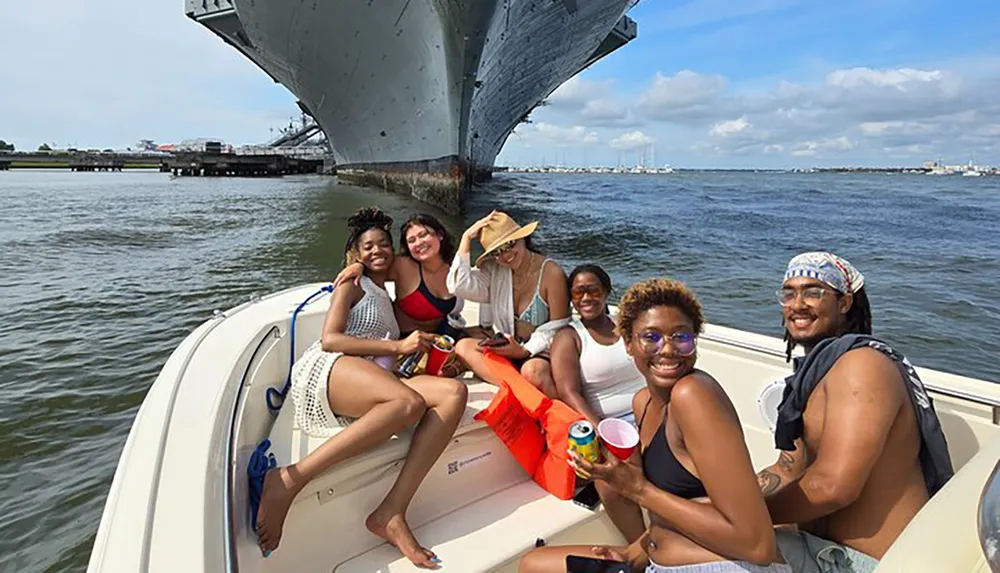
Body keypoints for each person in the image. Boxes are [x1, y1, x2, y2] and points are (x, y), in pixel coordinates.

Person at [519, 279, 788, 573]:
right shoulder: (644, 402)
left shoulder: (693, 394)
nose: (668, 349)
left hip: (729, 565)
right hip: (656, 554)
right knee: (535, 564)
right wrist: (637, 550)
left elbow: (757, 545)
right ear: (629, 344)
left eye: (681, 337)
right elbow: (679, 503)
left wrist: (637, 489)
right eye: (651, 337)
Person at [254, 207, 469, 568]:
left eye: (384, 244)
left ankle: (391, 512)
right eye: (368, 247)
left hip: (372, 375)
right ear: (356, 253)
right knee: (408, 403)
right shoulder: (352, 285)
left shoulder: (387, 290)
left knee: (453, 395)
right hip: (329, 369)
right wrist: (397, 346)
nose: (378, 251)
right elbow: (330, 340)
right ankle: (290, 478)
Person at [756, 252, 954, 573]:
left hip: (863, 564)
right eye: (789, 293)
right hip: (820, 550)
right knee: (683, 532)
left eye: (813, 292)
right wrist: (714, 500)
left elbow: (833, 487)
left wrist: (739, 517)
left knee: (686, 547)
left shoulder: (861, 366)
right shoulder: (813, 377)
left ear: (845, 303)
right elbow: (787, 470)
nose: (797, 304)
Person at [550, 264, 648, 544]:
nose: (586, 298)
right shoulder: (569, 337)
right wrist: (602, 431)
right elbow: (569, 393)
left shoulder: (629, 326)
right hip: (608, 423)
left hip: (647, 411)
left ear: (606, 291)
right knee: (611, 480)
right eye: (578, 292)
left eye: (593, 290)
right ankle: (643, 548)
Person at [448, 210, 570, 397]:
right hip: (508, 350)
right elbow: (458, 285)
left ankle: (528, 395)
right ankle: (527, 395)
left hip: (541, 353)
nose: (506, 255)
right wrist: (466, 238)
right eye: (497, 252)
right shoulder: (495, 269)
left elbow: (559, 328)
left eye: (510, 244)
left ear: (523, 238)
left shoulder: (551, 272)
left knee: (533, 372)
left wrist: (523, 351)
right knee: (464, 347)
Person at [333, 212, 466, 340]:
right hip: (404, 342)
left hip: (440, 339)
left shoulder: (456, 267)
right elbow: (375, 263)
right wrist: (358, 265)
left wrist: (467, 237)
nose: (419, 243)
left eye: (423, 235)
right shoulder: (403, 266)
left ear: (440, 235)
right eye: (411, 240)